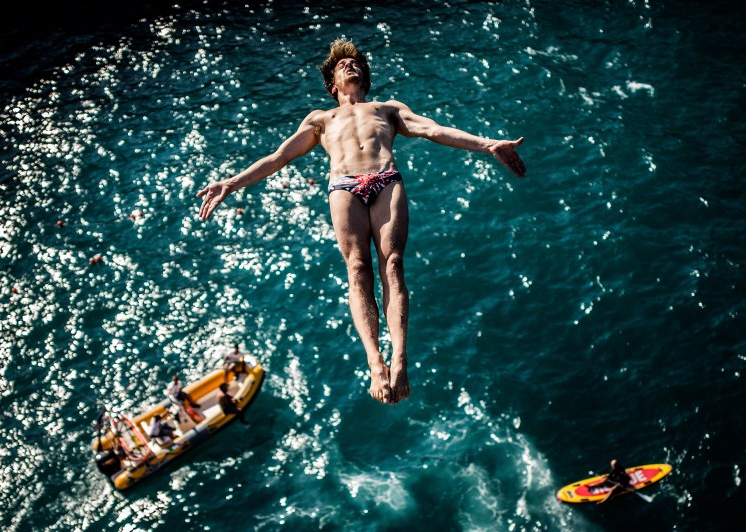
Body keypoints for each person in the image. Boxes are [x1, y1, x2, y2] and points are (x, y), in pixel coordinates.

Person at [197, 38, 526, 406]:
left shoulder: (387, 109)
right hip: (344, 186)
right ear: (332, 85)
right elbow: (278, 158)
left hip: (385, 178)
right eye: (342, 65)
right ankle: (376, 362)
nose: (350, 65)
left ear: (365, 78)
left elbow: (433, 130)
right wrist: (231, 182)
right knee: (357, 269)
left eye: (355, 63)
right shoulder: (321, 119)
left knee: (394, 263)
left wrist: (487, 144)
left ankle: (400, 359)